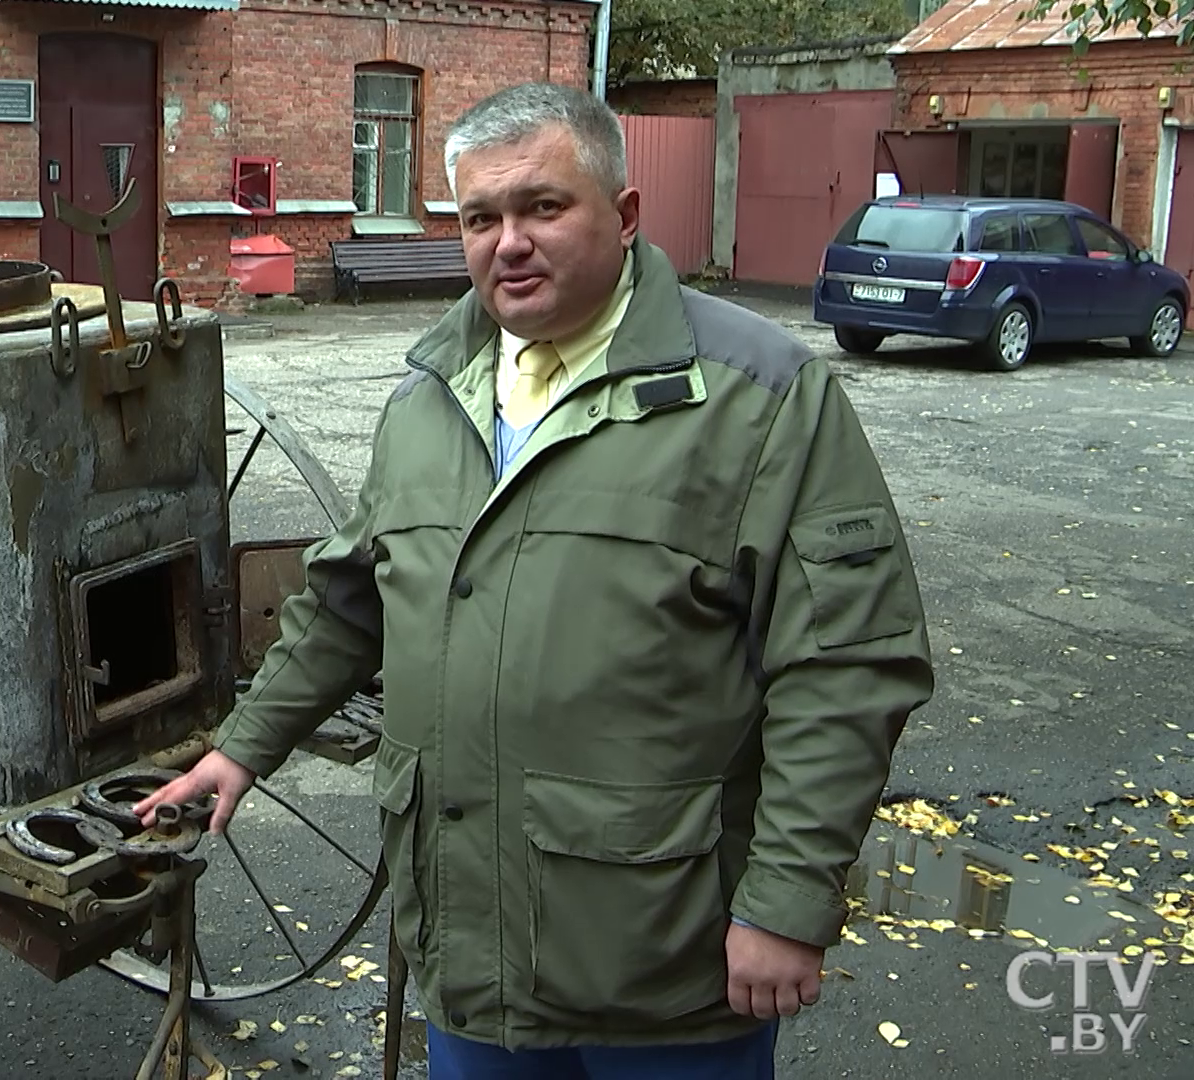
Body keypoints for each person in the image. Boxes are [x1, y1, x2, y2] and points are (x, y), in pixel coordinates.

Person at [136, 82, 935, 1078]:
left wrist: (787, 901)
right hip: (472, 955)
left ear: (626, 214)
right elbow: (350, 600)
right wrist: (243, 751)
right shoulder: (434, 394)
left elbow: (848, 666)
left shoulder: (758, 398)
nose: (507, 241)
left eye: (542, 207)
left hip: (668, 968)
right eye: (480, 217)